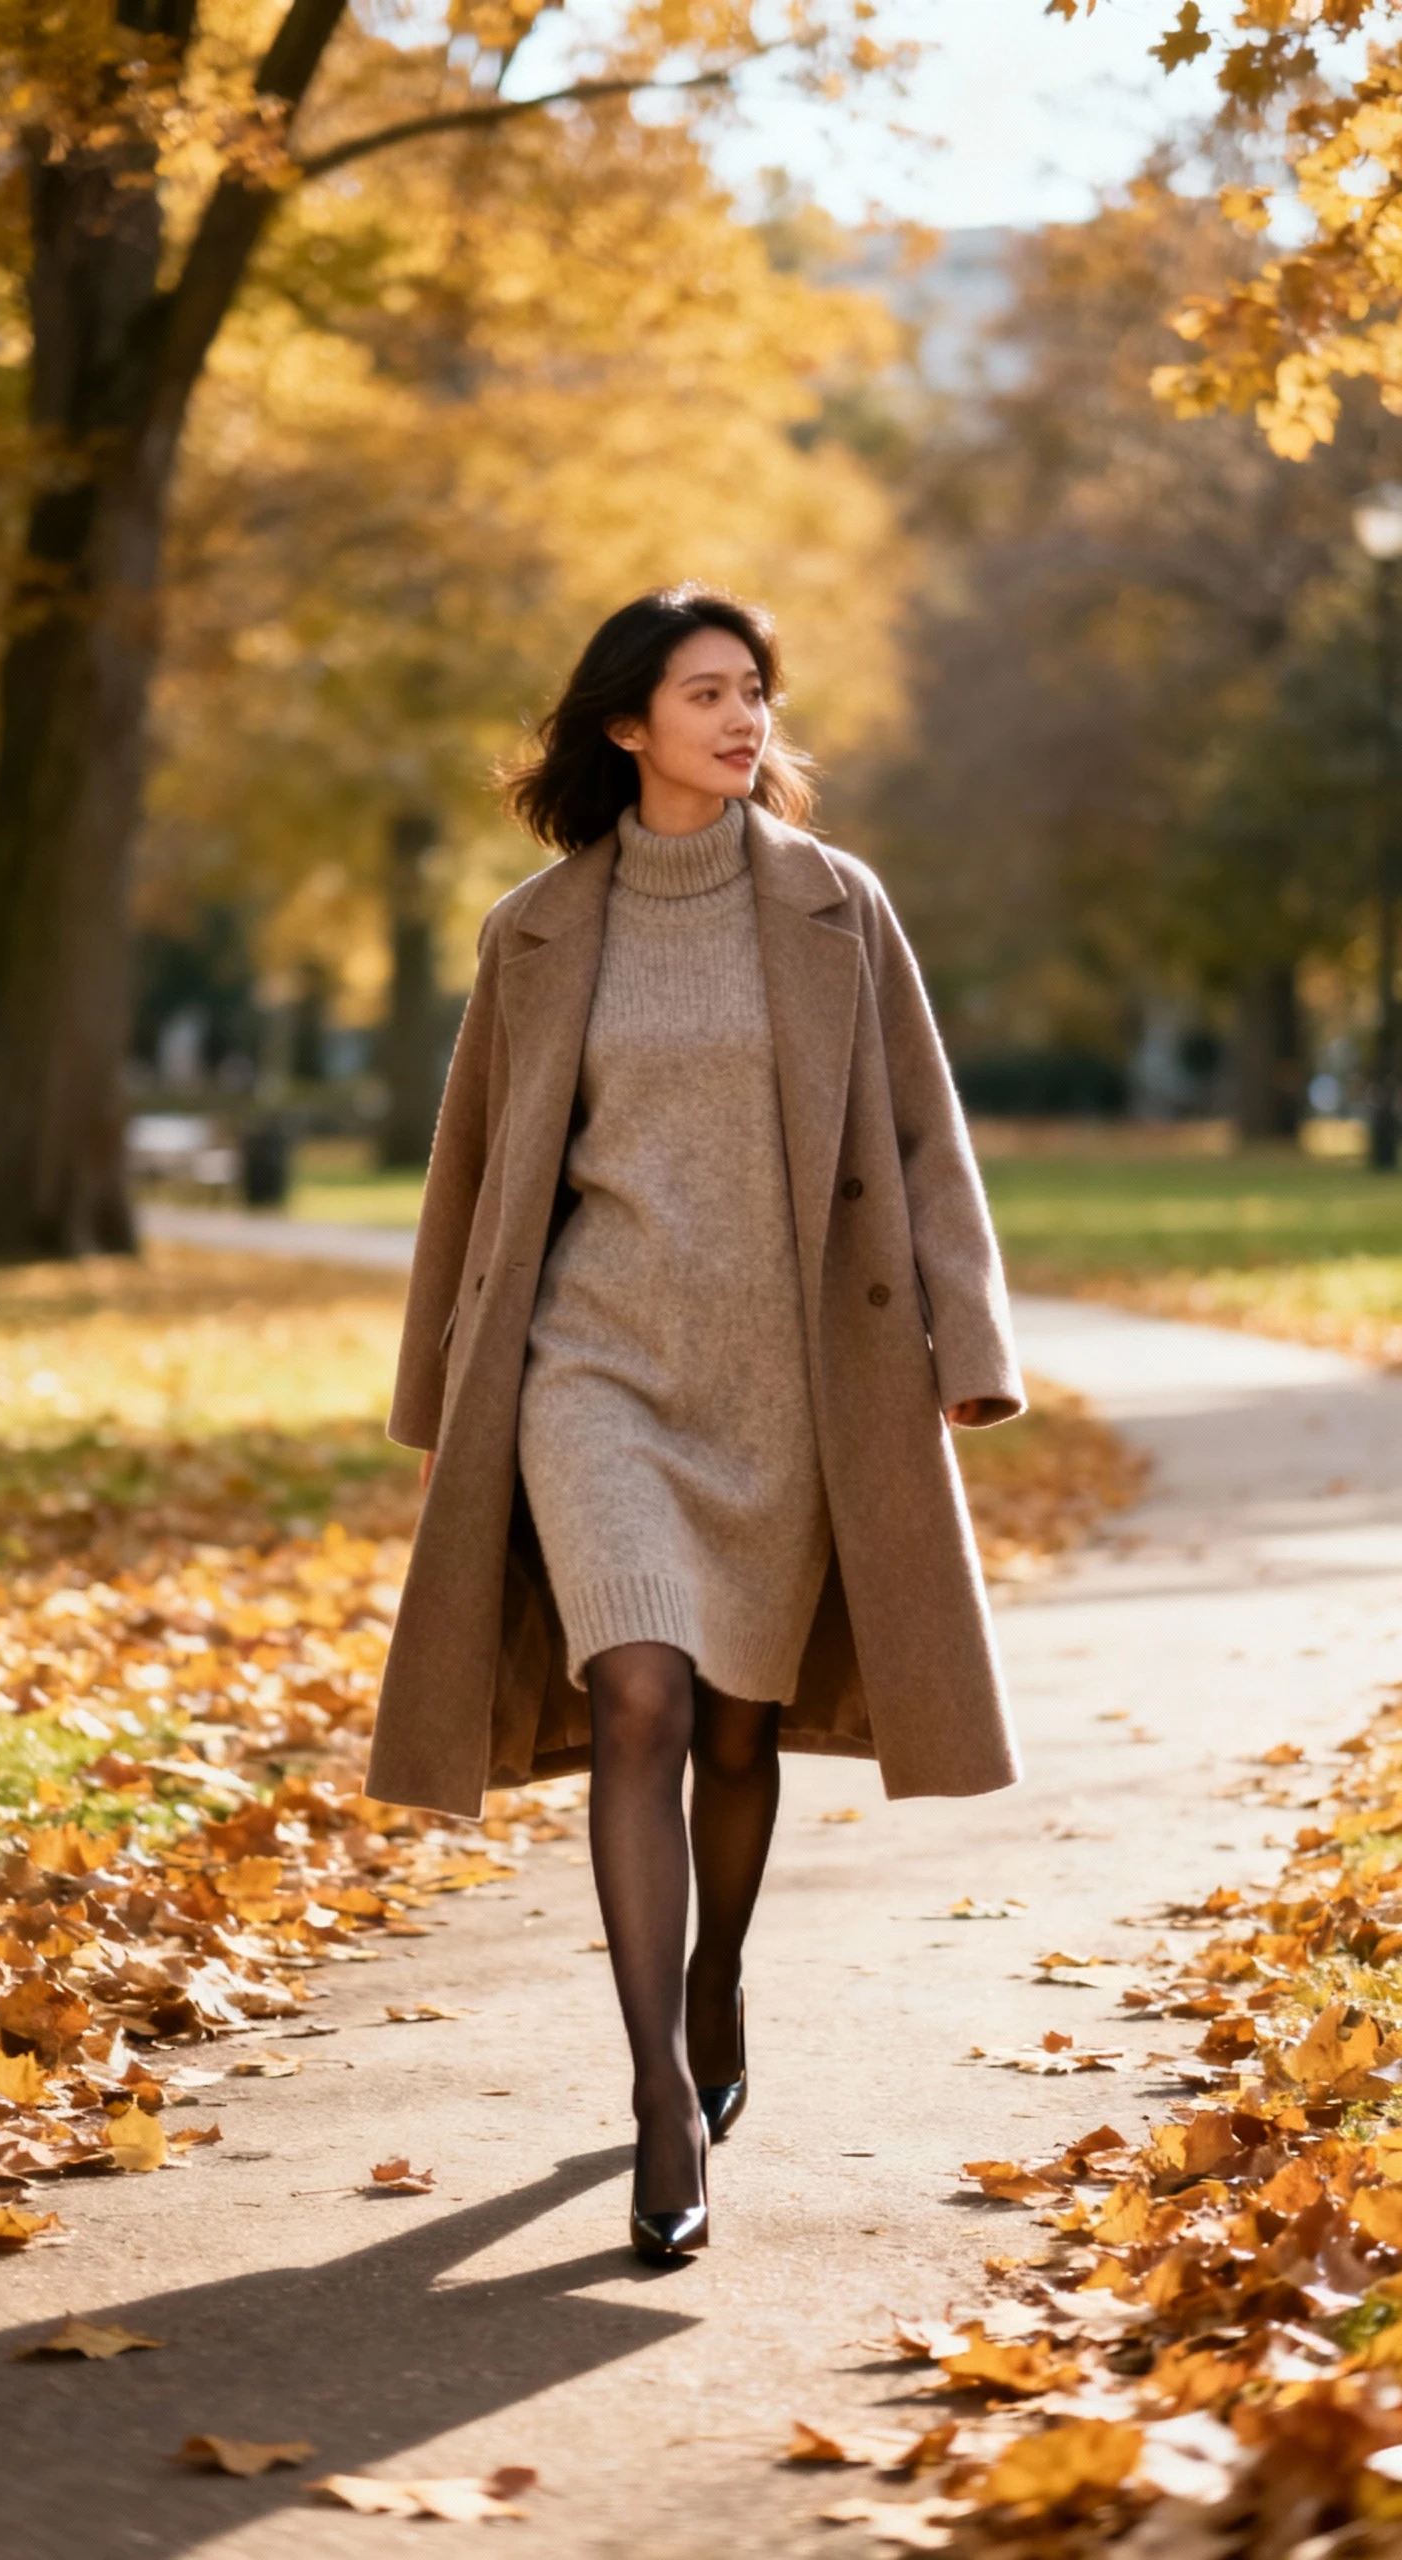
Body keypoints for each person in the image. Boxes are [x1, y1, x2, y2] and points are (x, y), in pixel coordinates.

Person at [368, 584, 1026, 2262]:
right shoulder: (535, 931)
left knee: (739, 1728)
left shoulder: (835, 908)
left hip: (797, 1379)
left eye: (755, 693)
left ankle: (714, 1976)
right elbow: (474, 1179)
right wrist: (444, 1390)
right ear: (624, 726)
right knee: (640, 1694)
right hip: (593, 1374)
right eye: (707, 694)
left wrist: (968, 1334)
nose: (744, 722)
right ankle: (661, 2088)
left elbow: (923, 1132)